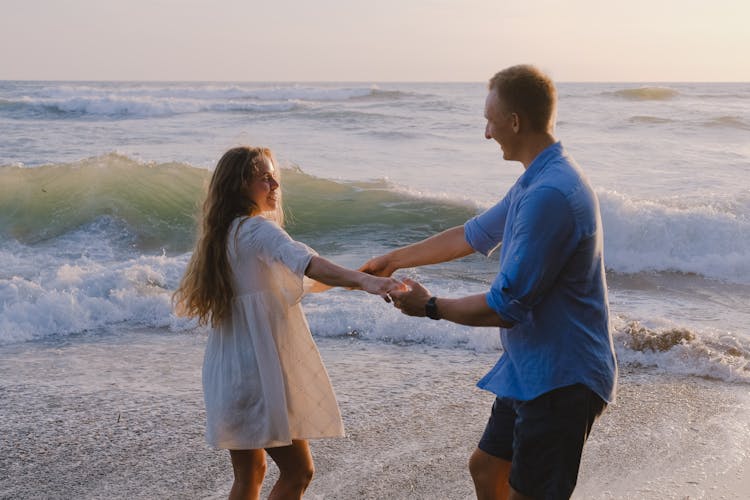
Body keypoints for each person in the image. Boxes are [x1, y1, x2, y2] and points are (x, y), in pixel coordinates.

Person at [361, 65, 617, 499]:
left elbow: (504, 306)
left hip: (562, 377)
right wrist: (393, 259)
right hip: (532, 366)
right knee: (486, 469)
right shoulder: (535, 180)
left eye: (490, 119)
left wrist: (429, 306)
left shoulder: (550, 194)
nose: (486, 132)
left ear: (514, 121)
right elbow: (471, 234)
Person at [173, 146, 403, 500]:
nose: (275, 182)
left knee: (251, 473)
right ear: (240, 184)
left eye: (273, 174)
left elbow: (307, 277)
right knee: (299, 472)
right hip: (257, 373)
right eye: (264, 177)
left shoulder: (223, 236)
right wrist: (367, 283)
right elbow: (307, 263)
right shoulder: (255, 230)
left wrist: (359, 275)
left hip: (231, 370)